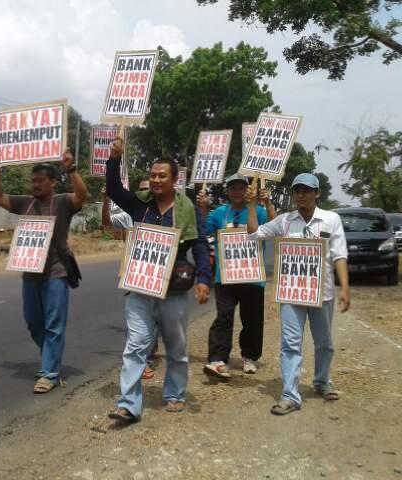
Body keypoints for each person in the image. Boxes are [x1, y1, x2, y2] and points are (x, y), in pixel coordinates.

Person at [105, 136, 211, 422]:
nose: (155, 180)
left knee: (176, 347)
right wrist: (114, 158)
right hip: (140, 288)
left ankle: (174, 394)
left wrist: (204, 278)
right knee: (136, 346)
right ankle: (128, 403)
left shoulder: (186, 209)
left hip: (173, 291)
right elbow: (114, 189)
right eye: (152, 175)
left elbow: (200, 244)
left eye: (161, 176)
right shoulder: (140, 205)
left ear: (174, 180)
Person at [246, 173, 350, 415]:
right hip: (291, 294)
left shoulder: (331, 219)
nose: (301, 194)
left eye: (307, 190)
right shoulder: (285, 221)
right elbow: (253, 234)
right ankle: (290, 395)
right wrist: (252, 205)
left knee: (324, 343)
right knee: (290, 345)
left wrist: (344, 287)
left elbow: (339, 255)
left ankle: (322, 381)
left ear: (317, 193)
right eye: (297, 190)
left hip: (322, 294)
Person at [0, 149, 89, 394]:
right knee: (34, 323)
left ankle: (49, 373)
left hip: (56, 274)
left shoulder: (64, 202)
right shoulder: (25, 203)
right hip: (30, 274)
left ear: (53, 182)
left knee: (53, 324)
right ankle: (50, 361)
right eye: (32, 181)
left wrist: (71, 169)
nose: (34, 185)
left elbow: (82, 195)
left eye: (40, 180)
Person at [197, 173, 276, 380]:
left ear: (247, 190)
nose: (237, 191)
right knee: (223, 317)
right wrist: (203, 209)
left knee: (252, 320)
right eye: (233, 188)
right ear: (228, 191)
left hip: (252, 276)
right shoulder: (219, 213)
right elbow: (203, 230)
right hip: (226, 277)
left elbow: (275, 228)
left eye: (241, 188)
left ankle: (249, 357)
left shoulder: (258, 212)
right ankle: (218, 359)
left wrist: (268, 203)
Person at [101, 180, 159, 380]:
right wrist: (105, 199)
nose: (144, 192)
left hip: (158, 272)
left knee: (154, 318)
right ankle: (144, 361)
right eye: (141, 189)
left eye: (147, 189)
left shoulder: (163, 213)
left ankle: (149, 351)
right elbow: (107, 224)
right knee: (139, 319)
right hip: (135, 272)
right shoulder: (129, 214)